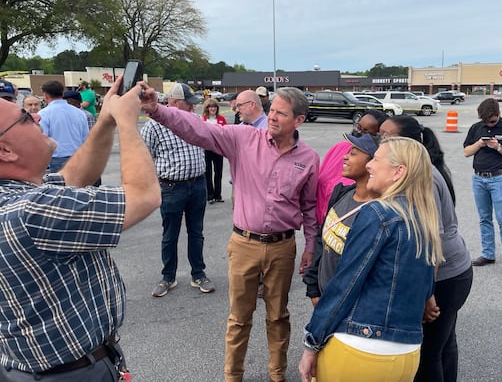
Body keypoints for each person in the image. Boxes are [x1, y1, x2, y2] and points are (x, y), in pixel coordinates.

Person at [140, 85, 319, 382]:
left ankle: (277, 374)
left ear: (298, 121)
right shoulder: (243, 138)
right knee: (239, 319)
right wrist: (157, 109)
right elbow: (196, 129)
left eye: (281, 113)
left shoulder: (308, 159)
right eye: (271, 110)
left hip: (283, 248)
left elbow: (310, 207)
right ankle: (232, 376)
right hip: (244, 244)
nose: (272, 117)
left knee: (278, 316)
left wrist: (311, 246)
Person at [0, 79, 160, 381]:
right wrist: (127, 121)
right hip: (74, 373)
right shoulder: (30, 211)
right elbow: (144, 194)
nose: (37, 115)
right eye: (24, 117)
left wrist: (106, 122)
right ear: (5, 151)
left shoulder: (16, 197)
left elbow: (75, 175)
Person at [299, 137, 444, 382]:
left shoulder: (377, 214)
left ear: (399, 172)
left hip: (361, 348)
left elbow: (345, 285)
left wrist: (312, 341)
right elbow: (425, 284)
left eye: (376, 159)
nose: (369, 166)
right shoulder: (423, 216)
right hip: (406, 353)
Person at [380, 115, 473, 382]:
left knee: (428, 353)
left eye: (387, 137)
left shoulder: (422, 177)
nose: (381, 141)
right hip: (453, 272)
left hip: (444, 276)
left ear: (407, 145)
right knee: (444, 344)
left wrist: (425, 293)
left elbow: (431, 241)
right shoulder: (421, 169)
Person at [141, 83, 215, 297]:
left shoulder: (195, 121)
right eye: (188, 104)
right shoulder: (153, 127)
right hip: (172, 187)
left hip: (197, 184)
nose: (193, 108)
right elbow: (145, 158)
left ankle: (198, 274)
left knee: (196, 232)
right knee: (170, 234)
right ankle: (168, 277)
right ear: (173, 102)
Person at [303, 132, 378, 306]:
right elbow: (322, 239)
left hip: (348, 307)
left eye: (353, 154)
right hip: (324, 299)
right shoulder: (341, 193)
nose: (344, 157)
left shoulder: (376, 211)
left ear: (373, 164)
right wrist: (313, 289)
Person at [463, 98, 502, 279]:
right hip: (479, 178)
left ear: (499, 113)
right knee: (484, 218)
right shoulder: (476, 128)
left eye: (492, 121)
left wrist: (498, 147)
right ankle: (488, 254)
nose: (489, 124)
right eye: (486, 121)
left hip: (500, 178)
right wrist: (480, 143)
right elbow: (466, 151)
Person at [316, 109, 387, 225]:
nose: (358, 132)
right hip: (322, 227)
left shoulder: (373, 164)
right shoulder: (339, 148)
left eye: (365, 131)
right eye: (358, 126)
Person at [38, 80, 89, 173]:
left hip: (56, 160)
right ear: (62, 93)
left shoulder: (44, 114)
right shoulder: (79, 113)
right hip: (77, 157)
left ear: (45, 95)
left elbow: (43, 141)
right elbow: (85, 138)